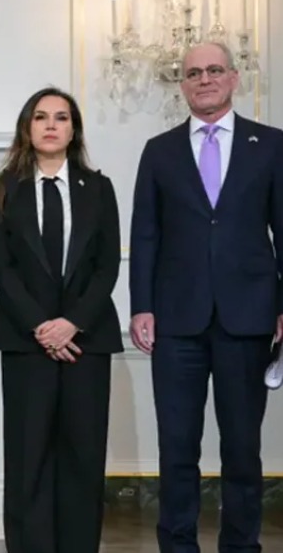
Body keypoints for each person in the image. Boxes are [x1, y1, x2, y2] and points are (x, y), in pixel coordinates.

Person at [130, 41, 283, 551]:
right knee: (177, 449)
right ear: (183, 85)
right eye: (194, 73)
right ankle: (178, 545)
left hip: (249, 317)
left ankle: (241, 546)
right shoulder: (160, 150)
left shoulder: (272, 145)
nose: (205, 79)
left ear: (234, 78)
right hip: (176, 321)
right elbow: (145, 234)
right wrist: (141, 305)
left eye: (215, 70)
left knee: (242, 449)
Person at [0, 87, 123, 553]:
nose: (50, 125)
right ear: (27, 127)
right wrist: (42, 326)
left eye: (61, 117)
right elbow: (0, 266)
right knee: (29, 457)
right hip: (26, 341)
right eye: (41, 117)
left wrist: (71, 323)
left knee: (83, 456)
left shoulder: (98, 187)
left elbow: (107, 265)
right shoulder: (4, 187)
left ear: (73, 129)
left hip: (87, 342)